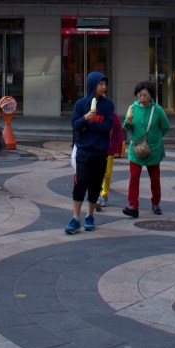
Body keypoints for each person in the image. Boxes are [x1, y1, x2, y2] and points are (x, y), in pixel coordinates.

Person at [65, 71, 114, 234]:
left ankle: (90, 215)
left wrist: (89, 125)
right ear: (92, 84)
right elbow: (75, 125)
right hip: (84, 149)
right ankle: (75, 217)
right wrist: (86, 118)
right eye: (101, 84)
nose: (104, 87)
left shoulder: (108, 105)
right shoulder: (80, 104)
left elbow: (107, 126)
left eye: (105, 84)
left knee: (95, 184)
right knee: (81, 182)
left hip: (100, 150)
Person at [122, 80, 170, 219]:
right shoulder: (133, 108)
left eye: (145, 95)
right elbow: (127, 126)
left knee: (155, 179)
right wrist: (128, 122)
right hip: (136, 148)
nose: (142, 98)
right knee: (134, 177)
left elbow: (165, 127)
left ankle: (155, 202)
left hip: (153, 149)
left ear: (151, 96)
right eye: (139, 95)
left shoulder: (158, 110)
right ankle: (133, 205)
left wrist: (156, 139)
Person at [96, 109, 124, 209]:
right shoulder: (96, 115)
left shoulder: (114, 116)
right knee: (98, 174)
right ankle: (97, 195)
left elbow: (119, 132)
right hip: (98, 149)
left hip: (109, 150)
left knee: (107, 174)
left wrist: (118, 147)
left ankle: (105, 194)